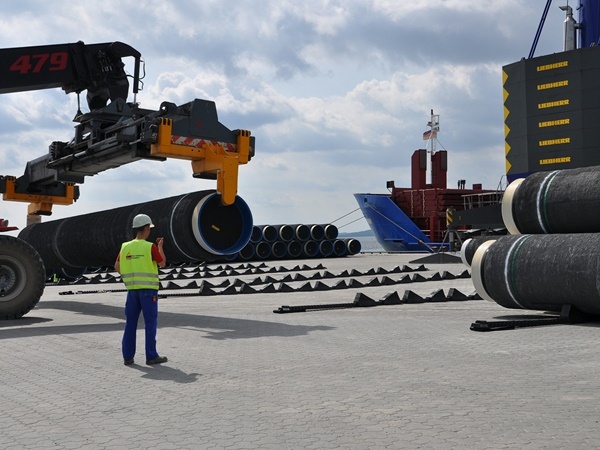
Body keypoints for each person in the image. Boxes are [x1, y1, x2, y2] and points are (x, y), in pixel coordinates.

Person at [115, 213, 167, 366]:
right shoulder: (150, 247)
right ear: (146, 228)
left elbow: (117, 266)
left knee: (130, 323)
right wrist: (160, 247)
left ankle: (128, 357)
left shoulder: (125, 247)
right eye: (149, 228)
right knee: (150, 323)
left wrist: (128, 277)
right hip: (148, 291)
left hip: (132, 291)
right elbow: (162, 263)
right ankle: (151, 356)